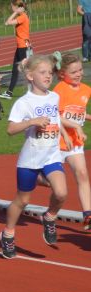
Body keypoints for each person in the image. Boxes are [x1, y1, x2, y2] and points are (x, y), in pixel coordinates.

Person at [0, 54, 73, 259]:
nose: (48, 76)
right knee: (22, 200)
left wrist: (65, 134)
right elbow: (11, 129)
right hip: (30, 159)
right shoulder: (24, 102)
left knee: (61, 193)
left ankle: (49, 217)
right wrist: (32, 122)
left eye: (50, 72)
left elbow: (56, 118)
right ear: (30, 76)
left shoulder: (54, 97)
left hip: (51, 155)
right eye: (43, 72)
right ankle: (8, 234)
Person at [52, 52, 91, 230]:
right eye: (74, 72)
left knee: (82, 173)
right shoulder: (59, 90)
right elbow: (56, 116)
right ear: (62, 74)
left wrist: (86, 118)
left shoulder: (86, 90)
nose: (78, 74)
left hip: (74, 142)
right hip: (57, 141)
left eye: (80, 70)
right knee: (53, 182)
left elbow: (78, 113)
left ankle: (88, 215)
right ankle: (33, 176)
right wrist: (76, 126)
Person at [0, 1, 30, 99]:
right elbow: (7, 22)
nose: (11, 9)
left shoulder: (22, 17)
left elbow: (7, 22)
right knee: (15, 70)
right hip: (20, 46)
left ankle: (32, 91)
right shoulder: (21, 16)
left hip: (23, 46)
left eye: (12, 7)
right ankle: (9, 92)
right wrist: (16, 12)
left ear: (17, 7)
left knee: (26, 70)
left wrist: (16, 12)